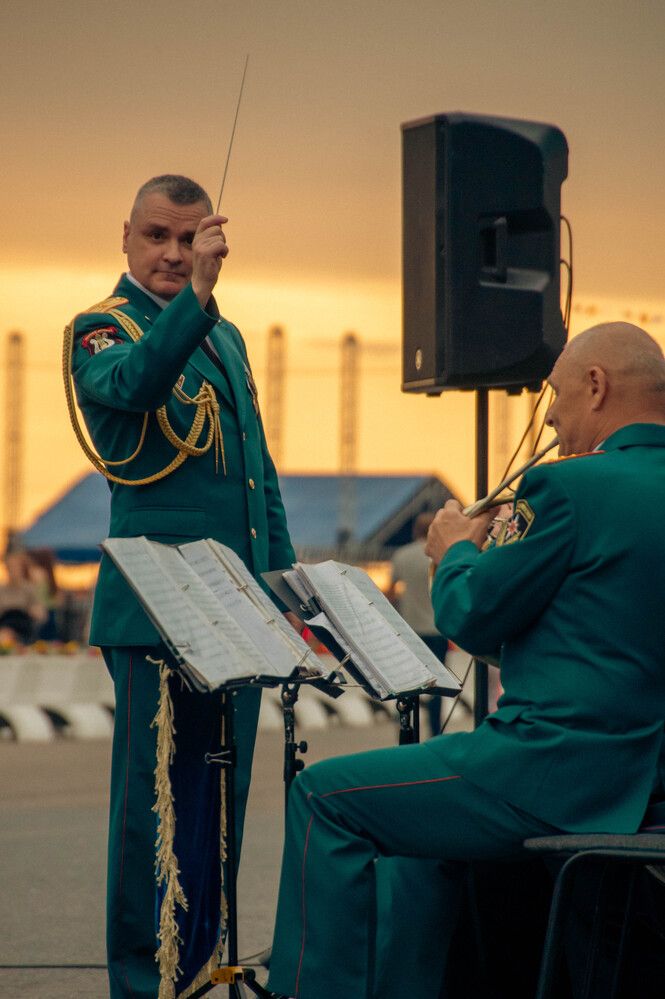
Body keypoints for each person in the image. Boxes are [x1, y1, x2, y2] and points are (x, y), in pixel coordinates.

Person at [266, 322, 665, 999]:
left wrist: (454, 549)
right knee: (429, 845)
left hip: (556, 771)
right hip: (646, 782)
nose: (552, 417)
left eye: (557, 397)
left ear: (595, 386)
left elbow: (473, 614)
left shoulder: (565, 489)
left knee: (322, 797)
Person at [66, 175, 296, 999]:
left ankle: (200, 968)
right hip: (157, 613)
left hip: (234, 614)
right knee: (154, 814)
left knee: (218, 806)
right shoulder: (102, 329)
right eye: (157, 236)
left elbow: (254, 476)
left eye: (190, 238)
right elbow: (132, 389)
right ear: (125, 234)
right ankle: (143, 982)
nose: (172, 253)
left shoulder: (222, 338)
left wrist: (283, 592)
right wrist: (193, 299)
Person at [388, 512, 448, 736]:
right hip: (437, 629)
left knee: (410, 685)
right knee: (438, 687)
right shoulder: (440, 556)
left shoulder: (401, 555)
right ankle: (435, 733)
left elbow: (392, 592)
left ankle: (408, 731)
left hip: (411, 630)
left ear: (415, 530)